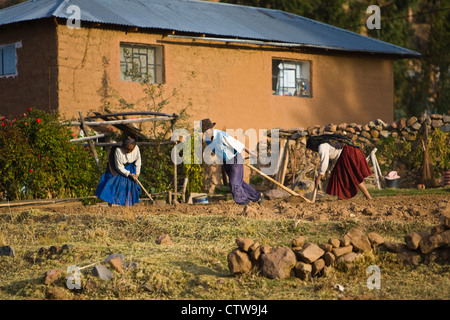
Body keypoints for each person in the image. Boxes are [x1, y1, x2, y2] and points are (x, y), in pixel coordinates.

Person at [201, 118, 263, 205]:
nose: (204, 133)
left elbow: (237, 144)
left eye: (205, 131)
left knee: (234, 183)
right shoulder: (207, 139)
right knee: (239, 182)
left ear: (210, 129)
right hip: (226, 162)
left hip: (235, 158)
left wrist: (251, 153)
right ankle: (257, 196)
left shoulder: (221, 135)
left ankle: (243, 203)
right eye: (203, 132)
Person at [306, 134, 373, 200]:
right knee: (340, 176)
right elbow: (329, 160)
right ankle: (341, 197)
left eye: (312, 149)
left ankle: (368, 196)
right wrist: (326, 171)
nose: (313, 151)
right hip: (350, 151)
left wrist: (319, 177)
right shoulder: (327, 144)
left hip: (348, 152)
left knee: (353, 176)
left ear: (313, 146)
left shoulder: (322, 147)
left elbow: (324, 162)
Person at [95, 137, 141, 206]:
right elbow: (119, 166)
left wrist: (136, 174)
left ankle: (127, 205)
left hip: (131, 168)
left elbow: (138, 162)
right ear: (124, 146)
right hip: (118, 169)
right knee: (113, 184)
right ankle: (110, 203)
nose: (129, 151)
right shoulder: (118, 150)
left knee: (129, 186)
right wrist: (128, 174)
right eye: (127, 149)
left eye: (131, 150)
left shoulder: (136, 148)